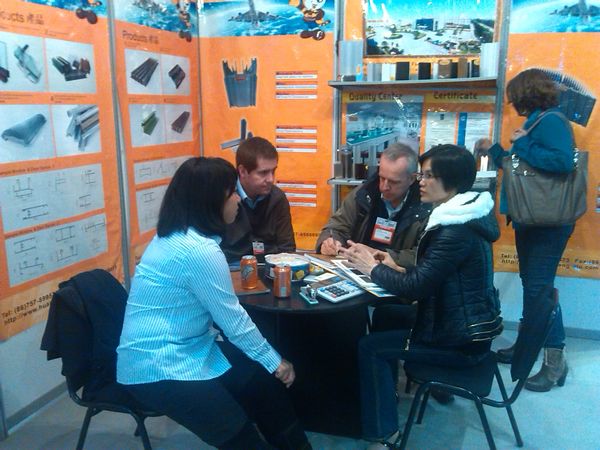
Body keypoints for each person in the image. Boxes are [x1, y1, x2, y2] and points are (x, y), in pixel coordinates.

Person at [116, 157, 311, 450]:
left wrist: (269, 365)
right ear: (210, 201)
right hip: (158, 366)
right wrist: (276, 362)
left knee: (263, 386)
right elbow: (234, 322)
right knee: (241, 434)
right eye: (232, 192)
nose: (237, 200)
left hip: (192, 347)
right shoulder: (198, 250)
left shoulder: (175, 235)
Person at [344, 145, 503, 448]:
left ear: (451, 182)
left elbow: (416, 288)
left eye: (429, 176)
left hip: (458, 341)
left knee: (370, 347)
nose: (421, 182)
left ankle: (384, 434)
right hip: (458, 325)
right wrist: (392, 263)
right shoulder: (463, 217)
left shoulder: (454, 230)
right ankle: (385, 393)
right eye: (422, 174)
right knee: (387, 314)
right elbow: (434, 274)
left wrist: (371, 268)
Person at [477, 68, 575, 392]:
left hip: (547, 222)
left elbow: (562, 162)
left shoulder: (551, 120)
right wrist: (495, 151)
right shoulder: (537, 121)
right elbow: (521, 167)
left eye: (513, 97)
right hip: (531, 218)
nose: (511, 103)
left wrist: (523, 143)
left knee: (539, 289)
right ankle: (526, 346)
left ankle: (554, 362)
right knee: (533, 285)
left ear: (525, 94)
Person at [316, 143, 431, 268]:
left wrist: (379, 255)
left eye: (393, 182)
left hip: (398, 275)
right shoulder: (364, 194)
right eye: (381, 178)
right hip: (356, 270)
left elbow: (425, 256)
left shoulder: (425, 207)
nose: (385, 186)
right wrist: (330, 241)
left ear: (412, 179)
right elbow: (337, 227)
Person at [221, 136, 295, 263]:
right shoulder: (224, 197)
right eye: (263, 173)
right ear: (242, 171)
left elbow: (287, 249)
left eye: (273, 171)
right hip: (231, 268)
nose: (271, 179)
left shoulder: (277, 198)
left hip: (269, 268)